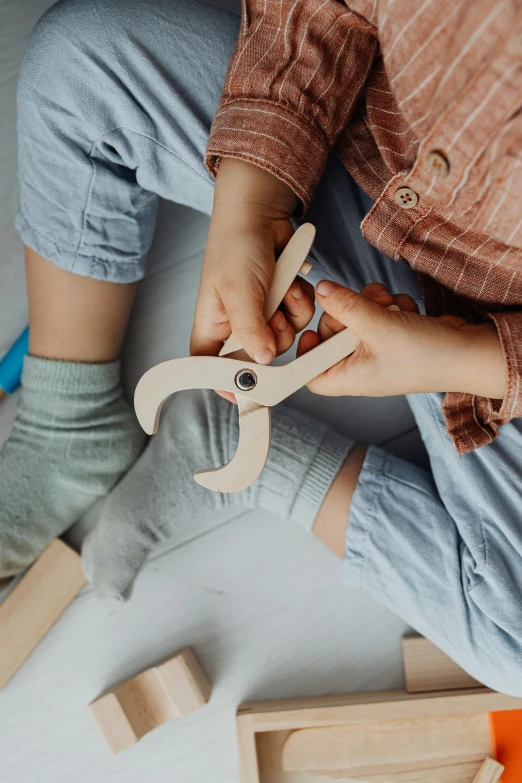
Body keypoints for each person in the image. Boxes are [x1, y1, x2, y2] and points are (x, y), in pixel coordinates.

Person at [3, 0, 522, 694]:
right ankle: (67, 420)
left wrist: (466, 356)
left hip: (501, 352)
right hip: (355, 146)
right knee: (77, 62)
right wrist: (253, 195)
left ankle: (238, 450)